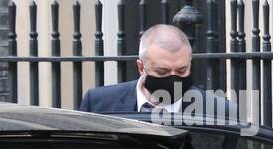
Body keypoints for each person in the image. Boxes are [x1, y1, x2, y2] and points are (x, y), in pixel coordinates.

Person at [79, 23, 232, 118]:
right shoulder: (99, 104)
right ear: (141, 68)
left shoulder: (220, 111)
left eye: (181, 70)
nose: (173, 78)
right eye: (162, 72)